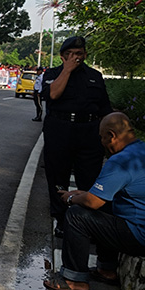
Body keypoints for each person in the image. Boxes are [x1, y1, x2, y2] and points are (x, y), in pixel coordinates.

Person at [44, 112, 145, 290]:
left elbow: (92, 203)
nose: (102, 143)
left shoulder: (122, 160)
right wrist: (85, 194)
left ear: (111, 135)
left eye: (102, 138)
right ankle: (106, 270)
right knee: (108, 206)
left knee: (77, 215)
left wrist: (71, 199)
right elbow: (103, 196)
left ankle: (75, 280)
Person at [40, 36, 112, 233]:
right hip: (60, 130)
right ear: (62, 56)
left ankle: (86, 221)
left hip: (88, 132)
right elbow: (53, 94)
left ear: (85, 55)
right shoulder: (53, 74)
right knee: (57, 176)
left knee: (90, 177)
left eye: (78, 54)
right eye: (69, 54)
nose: (74, 58)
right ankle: (61, 220)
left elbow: (105, 109)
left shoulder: (94, 76)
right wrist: (67, 70)